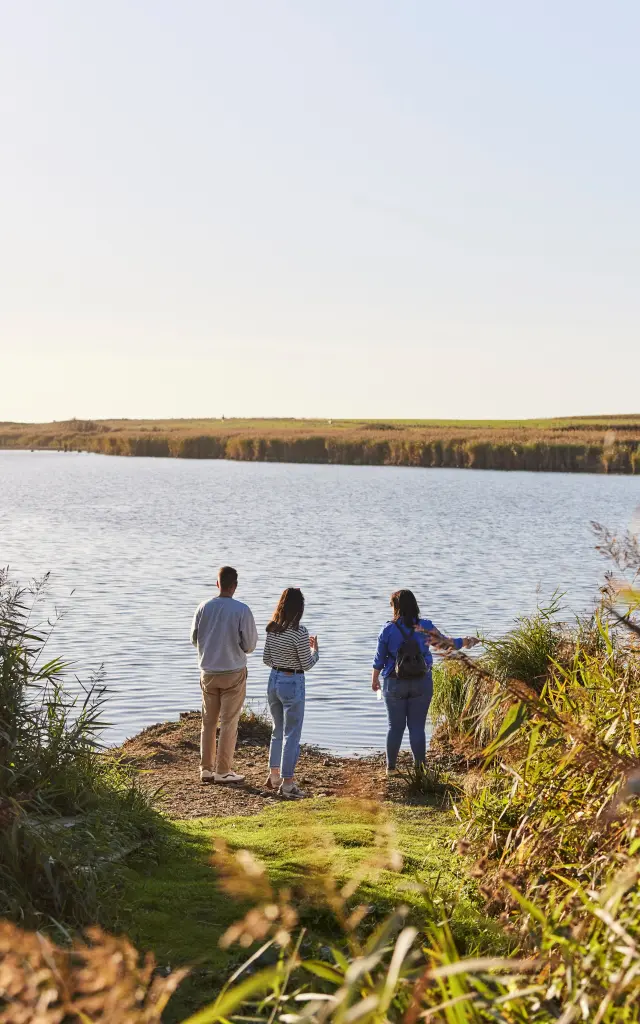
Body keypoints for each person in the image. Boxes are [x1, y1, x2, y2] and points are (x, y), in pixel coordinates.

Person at [372, 589, 478, 776]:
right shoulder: (425, 626)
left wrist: (374, 679)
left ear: (396, 607)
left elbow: (379, 659)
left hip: (394, 683)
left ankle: (391, 768)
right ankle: (420, 770)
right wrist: (466, 641)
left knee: (395, 727)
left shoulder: (387, 629)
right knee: (417, 727)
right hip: (421, 682)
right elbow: (445, 644)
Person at [190, 566, 258, 784]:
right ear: (235, 586)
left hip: (208, 672)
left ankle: (206, 769)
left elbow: (194, 639)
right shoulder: (242, 610)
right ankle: (223, 770)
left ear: (217, 584)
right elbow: (249, 645)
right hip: (233, 672)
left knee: (208, 722)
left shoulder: (203, 607)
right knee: (229, 722)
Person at [263, 587, 319, 799]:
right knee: (292, 734)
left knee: (277, 730)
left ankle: (274, 775)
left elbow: (266, 659)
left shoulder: (272, 629)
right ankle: (287, 783)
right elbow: (307, 664)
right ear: (299, 608)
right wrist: (315, 651)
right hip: (292, 682)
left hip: (273, 679)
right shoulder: (299, 632)